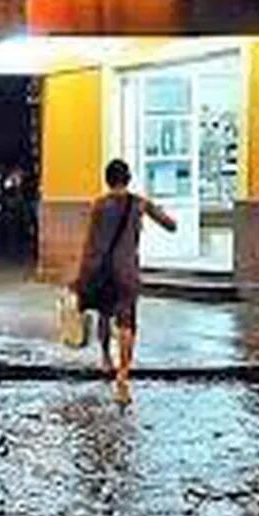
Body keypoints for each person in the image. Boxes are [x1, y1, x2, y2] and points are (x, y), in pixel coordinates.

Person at [73, 159, 177, 404]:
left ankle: (106, 358)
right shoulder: (140, 203)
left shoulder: (99, 205)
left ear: (107, 179)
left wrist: (82, 275)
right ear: (128, 178)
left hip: (104, 269)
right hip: (128, 271)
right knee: (127, 322)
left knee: (104, 315)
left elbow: (91, 243)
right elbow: (171, 225)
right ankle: (123, 375)